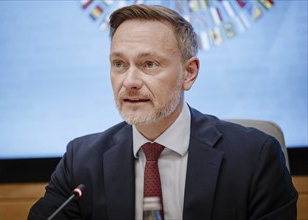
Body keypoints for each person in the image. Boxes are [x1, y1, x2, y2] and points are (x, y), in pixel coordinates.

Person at [28, 4, 298, 220]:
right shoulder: (81, 161)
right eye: (119, 64)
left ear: (188, 73)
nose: (130, 81)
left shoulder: (255, 158)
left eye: (149, 64)